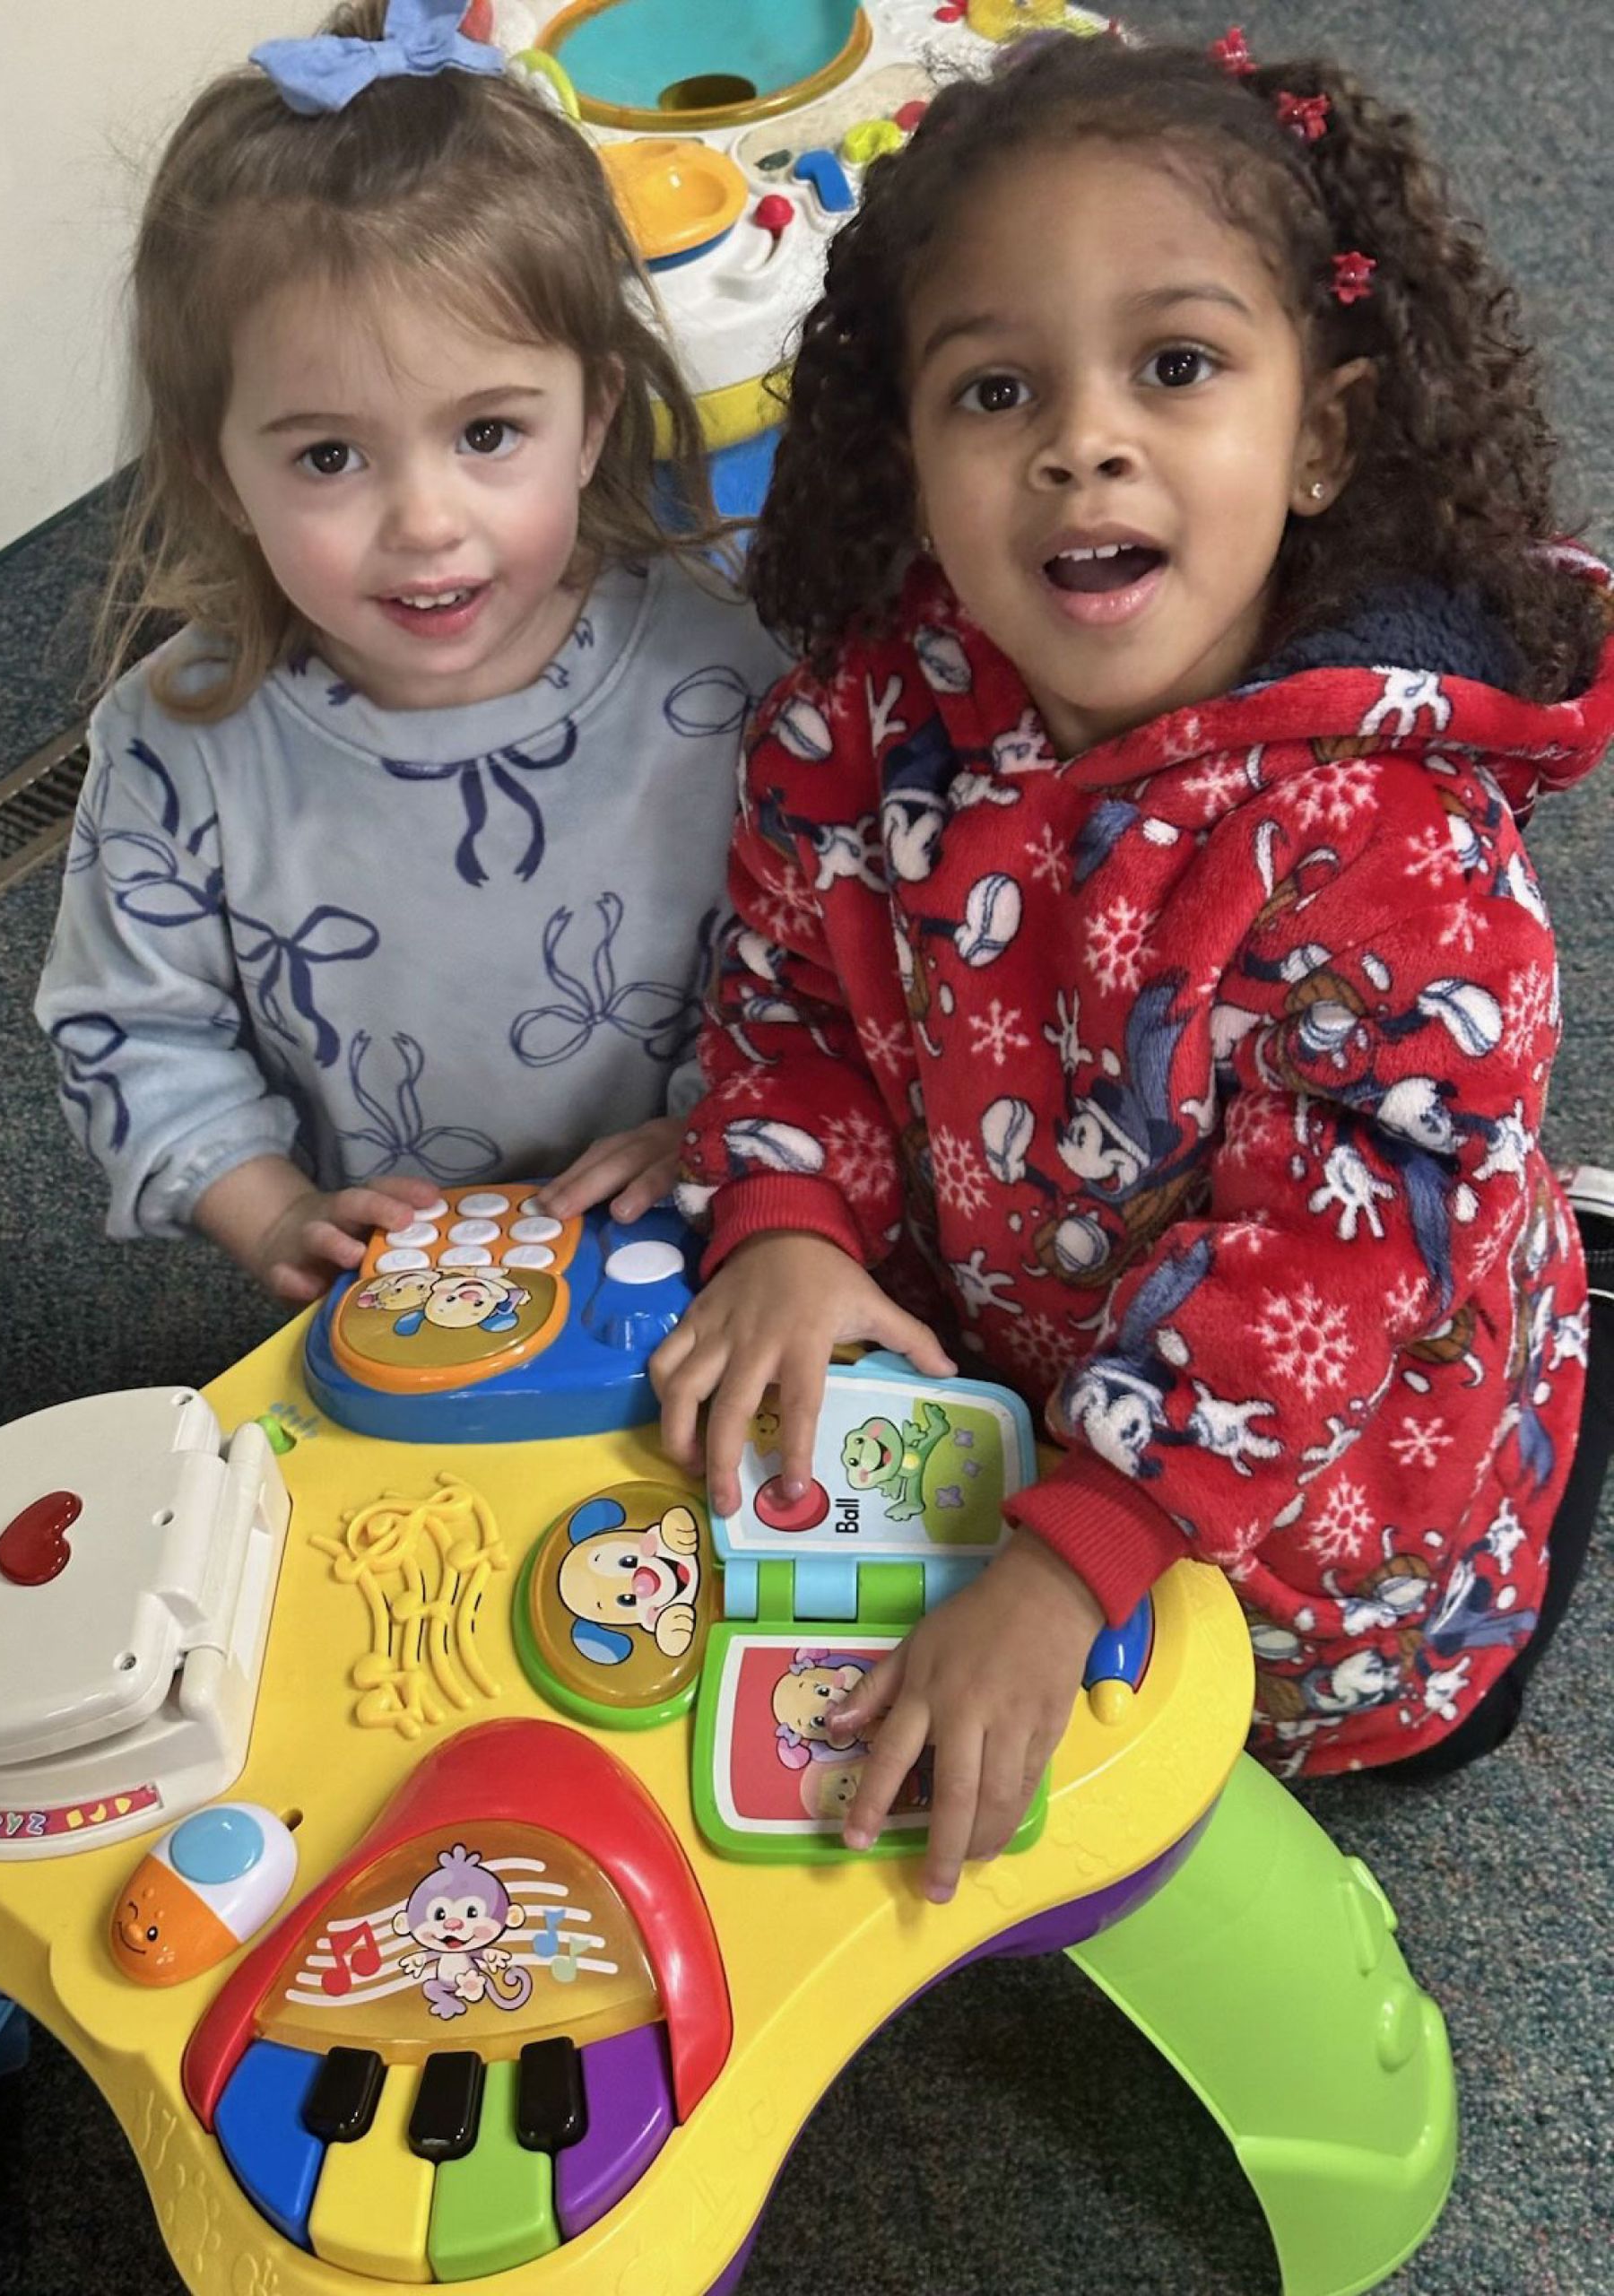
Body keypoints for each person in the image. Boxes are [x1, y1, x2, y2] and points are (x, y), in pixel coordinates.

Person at [651, 26, 1614, 1898]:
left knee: (1383, 1730)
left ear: (1318, 431)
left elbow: (1323, 1258)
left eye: (1176, 367)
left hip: (1341, 1481)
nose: (1084, 438)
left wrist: (1080, 1540)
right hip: (1019, 1341)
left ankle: (1575, 1276)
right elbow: (789, 985)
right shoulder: (873, 713)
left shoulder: (1398, 846)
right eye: (996, 390)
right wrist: (781, 1209)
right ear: (904, 449)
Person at [36, 0, 785, 1301]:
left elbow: (815, 958)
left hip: (706, 1244)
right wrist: (274, 1215)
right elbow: (131, 1028)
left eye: (489, 432)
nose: (426, 523)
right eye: (330, 456)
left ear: (597, 414)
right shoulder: (176, 745)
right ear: (220, 475)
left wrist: (719, 1130)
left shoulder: (732, 675)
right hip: (389, 1291)